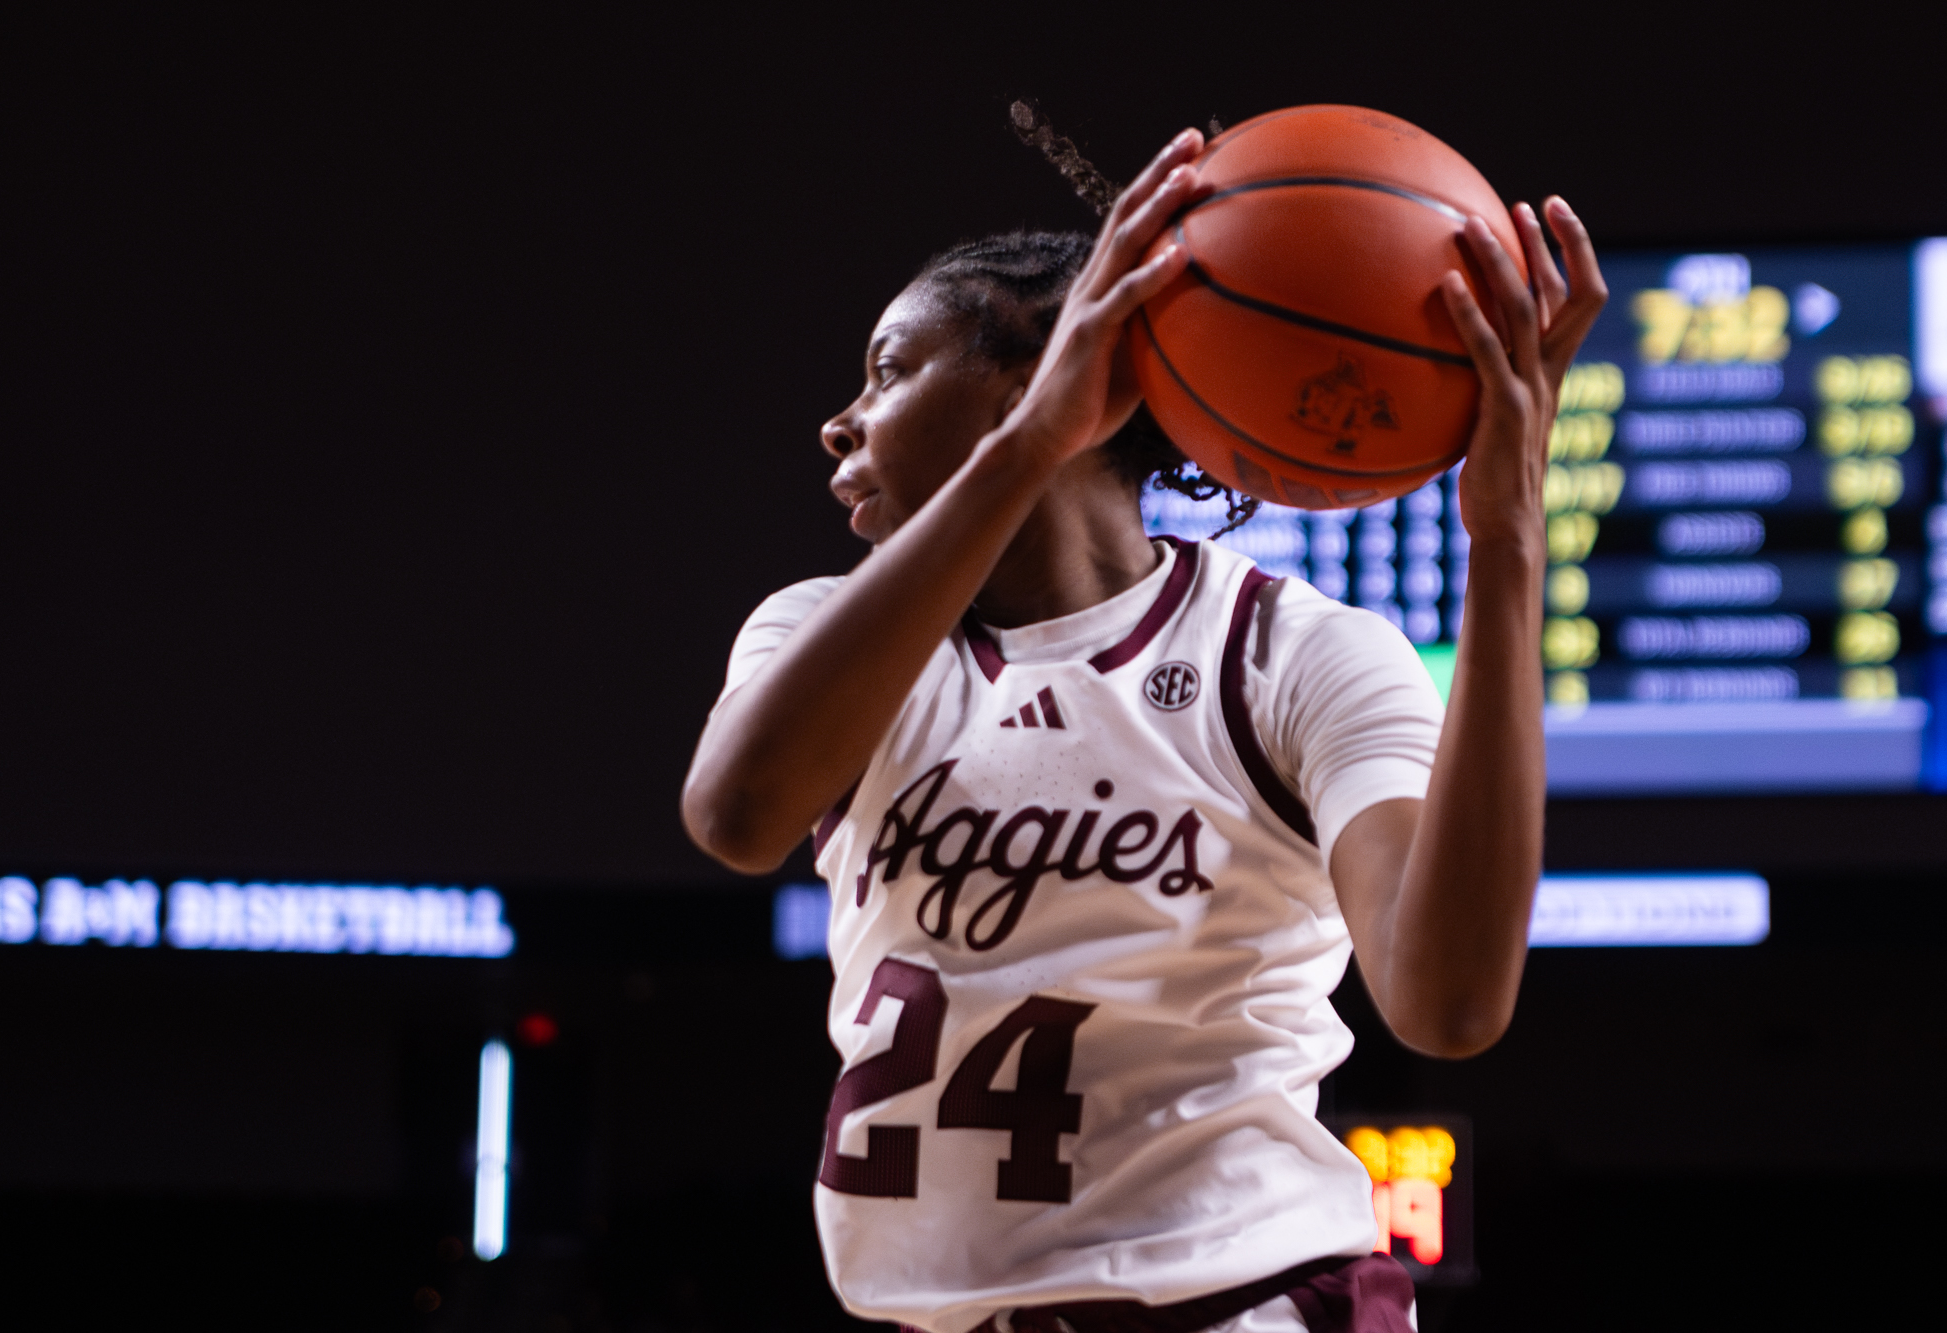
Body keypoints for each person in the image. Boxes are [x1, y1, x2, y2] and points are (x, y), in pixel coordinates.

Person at [681, 115, 1606, 1333]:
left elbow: (1444, 1004)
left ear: (1044, 364)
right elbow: (736, 819)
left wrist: (1507, 551)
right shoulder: (817, 630)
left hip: (1242, 1303)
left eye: (889, 368)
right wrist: (1025, 448)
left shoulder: (1297, 654)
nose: (839, 420)